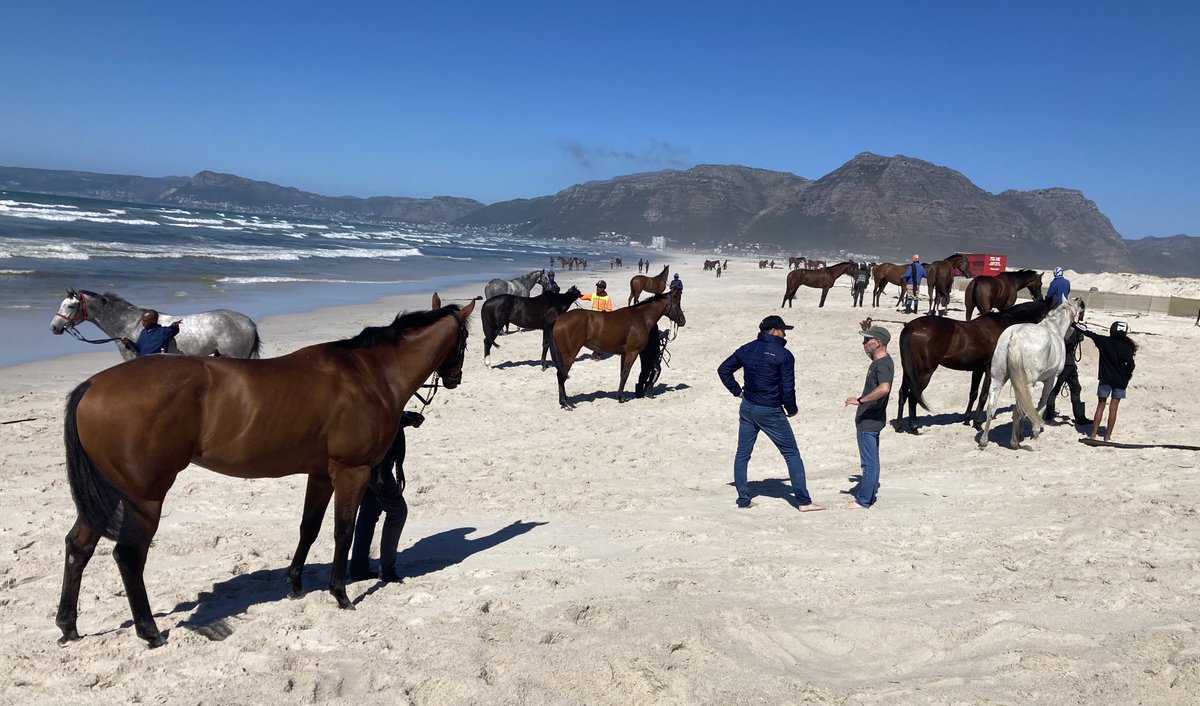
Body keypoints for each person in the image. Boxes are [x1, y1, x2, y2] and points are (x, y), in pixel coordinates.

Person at [717, 315, 824, 511]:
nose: (785, 334)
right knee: (791, 453)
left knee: (742, 454)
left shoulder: (747, 348)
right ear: (773, 331)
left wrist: (738, 391)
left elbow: (724, 369)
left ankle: (743, 499)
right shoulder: (784, 354)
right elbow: (787, 388)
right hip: (770, 410)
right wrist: (792, 409)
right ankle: (803, 501)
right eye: (783, 330)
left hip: (748, 406)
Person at [350, 410, 425, 582]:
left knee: (369, 511)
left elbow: (387, 416)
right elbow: (381, 418)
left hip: (369, 463)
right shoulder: (377, 390)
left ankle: (358, 568)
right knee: (398, 512)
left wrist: (405, 419)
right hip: (378, 466)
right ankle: (387, 569)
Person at [842, 321, 893, 509]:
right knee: (871, 461)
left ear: (878, 342)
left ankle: (863, 500)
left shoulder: (882, 365)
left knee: (869, 463)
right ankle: (866, 496)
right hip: (872, 420)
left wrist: (861, 400)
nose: (863, 344)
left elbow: (884, 388)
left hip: (869, 421)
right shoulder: (881, 362)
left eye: (867, 340)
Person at [1075, 320, 1138, 441]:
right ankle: (1107, 436)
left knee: (1100, 406)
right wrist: (1127, 376)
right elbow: (1131, 365)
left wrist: (1073, 324)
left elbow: (1089, 333)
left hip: (1105, 379)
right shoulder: (1126, 347)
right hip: (1120, 382)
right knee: (1113, 409)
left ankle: (1093, 434)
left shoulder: (1104, 341)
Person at [1044, 302, 1090, 426]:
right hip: (1065, 363)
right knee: (1054, 390)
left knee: (1076, 388)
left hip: (1070, 364)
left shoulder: (1069, 326)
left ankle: (1080, 417)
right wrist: (1077, 336)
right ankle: (1048, 417)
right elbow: (1066, 343)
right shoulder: (1067, 328)